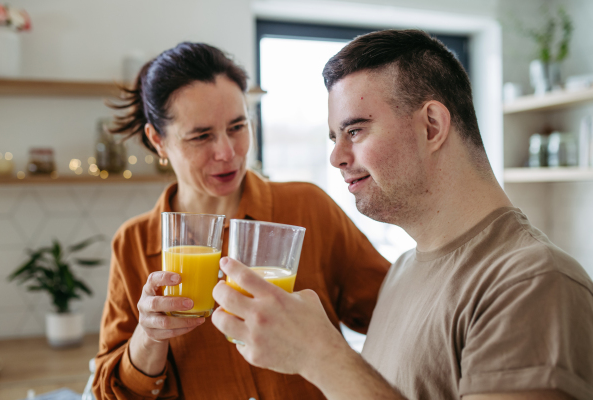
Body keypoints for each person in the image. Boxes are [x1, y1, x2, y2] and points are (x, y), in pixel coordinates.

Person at [212, 30, 593, 400]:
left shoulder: (532, 283)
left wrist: (320, 356)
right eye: (335, 137)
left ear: (432, 126)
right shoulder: (401, 271)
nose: (337, 157)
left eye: (356, 131)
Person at [92, 42, 390, 400]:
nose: (228, 152)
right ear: (158, 140)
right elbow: (111, 392)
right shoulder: (134, 243)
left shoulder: (307, 208)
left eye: (237, 126)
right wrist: (149, 336)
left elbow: (394, 317)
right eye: (201, 136)